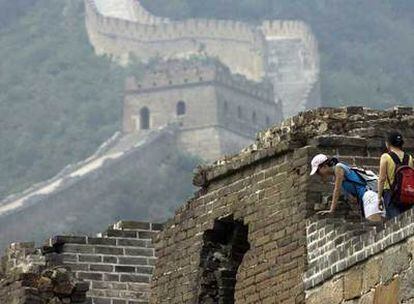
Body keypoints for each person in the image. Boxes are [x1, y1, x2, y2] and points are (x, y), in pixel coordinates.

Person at [310, 154, 385, 222]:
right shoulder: (341, 170)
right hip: (371, 197)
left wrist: (331, 210)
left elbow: (337, 190)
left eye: (318, 171)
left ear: (324, 166)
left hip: (369, 197)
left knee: (374, 226)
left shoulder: (338, 168)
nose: (318, 174)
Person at [378, 132, 414, 219]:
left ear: (388, 143)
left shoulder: (385, 157)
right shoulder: (409, 157)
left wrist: (379, 197)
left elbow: (382, 179)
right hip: (407, 193)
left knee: (395, 222)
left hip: (391, 194)